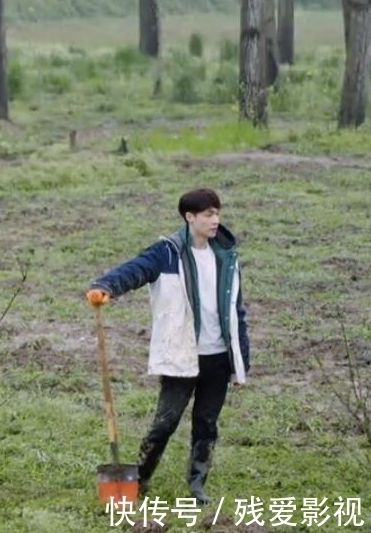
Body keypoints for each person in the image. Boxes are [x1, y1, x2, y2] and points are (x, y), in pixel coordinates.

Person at [85, 188, 250, 505]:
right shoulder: (168, 252)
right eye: (208, 214)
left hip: (218, 357)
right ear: (190, 217)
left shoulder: (226, 255)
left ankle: (198, 485)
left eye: (217, 213)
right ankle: (141, 480)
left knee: (206, 424)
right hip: (183, 354)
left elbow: (237, 309)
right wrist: (105, 287)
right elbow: (135, 269)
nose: (215, 220)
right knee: (165, 422)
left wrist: (240, 359)